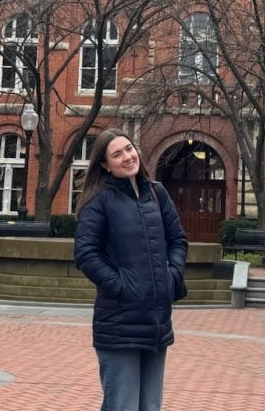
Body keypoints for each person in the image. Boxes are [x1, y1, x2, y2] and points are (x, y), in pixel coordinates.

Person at [73, 129, 188, 411]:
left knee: (150, 405)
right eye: (117, 154)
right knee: (122, 404)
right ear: (104, 164)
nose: (127, 157)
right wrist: (122, 287)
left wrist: (170, 277)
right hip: (118, 322)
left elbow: (178, 241)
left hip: (156, 320)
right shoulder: (98, 200)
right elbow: (85, 254)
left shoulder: (157, 193)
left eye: (129, 148)